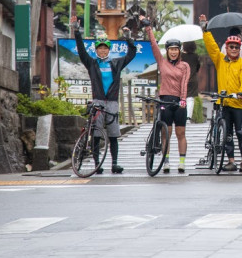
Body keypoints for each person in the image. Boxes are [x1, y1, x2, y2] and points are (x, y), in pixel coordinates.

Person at [73, 24, 138, 174]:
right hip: (98, 102)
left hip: (112, 103)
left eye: (105, 48)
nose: (102, 51)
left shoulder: (115, 63)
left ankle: (114, 164)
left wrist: (128, 39)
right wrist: (77, 32)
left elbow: (131, 55)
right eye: (100, 48)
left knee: (113, 134)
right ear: (96, 50)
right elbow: (82, 51)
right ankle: (97, 164)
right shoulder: (92, 63)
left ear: (109, 50)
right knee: (96, 134)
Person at [199, 14, 242, 172]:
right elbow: (212, 47)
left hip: (238, 103)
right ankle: (231, 161)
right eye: (231, 47)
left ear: (239, 49)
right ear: (227, 48)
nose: (234, 50)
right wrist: (205, 30)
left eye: (236, 48)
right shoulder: (220, 60)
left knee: (240, 132)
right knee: (227, 133)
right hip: (224, 102)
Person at [143, 16, 192, 173]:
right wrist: (148, 28)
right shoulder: (162, 62)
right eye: (171, 49)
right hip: (164, 99)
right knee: (166, 133)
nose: (173, 52)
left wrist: (183, 99)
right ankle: (166, 161)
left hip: (179, 101)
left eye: (176, 49)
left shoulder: (184, 66)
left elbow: (184, 83)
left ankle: (182, 162)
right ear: (168, 51)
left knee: (180, 132)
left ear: (179, 51)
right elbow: (154, 46)